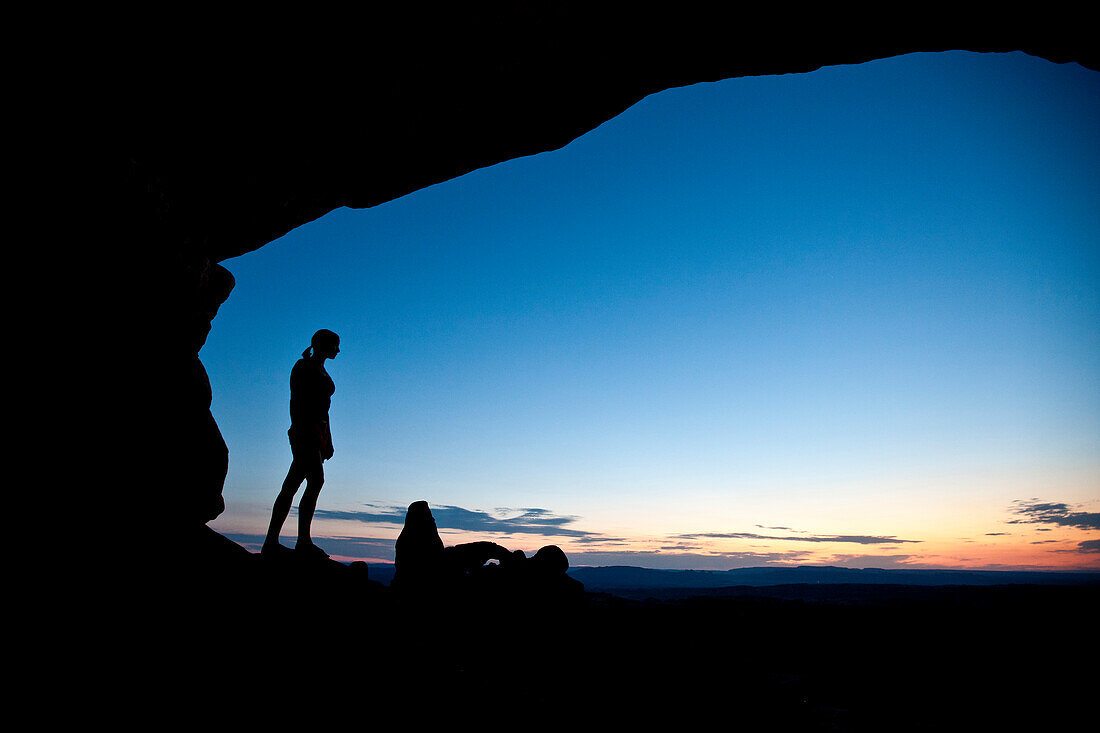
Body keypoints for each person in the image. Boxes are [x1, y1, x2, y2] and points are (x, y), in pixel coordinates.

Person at [263, 329, 340, 558]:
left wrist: (328, 439)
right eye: (335, 345)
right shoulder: (303, 367)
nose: (338, 350)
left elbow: (325, 410)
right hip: (305, 431)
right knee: (312, 481)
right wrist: (300, 431)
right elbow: (295, 401)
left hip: (316, 432)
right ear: (323, 345)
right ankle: (299, 541)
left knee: (294, 484)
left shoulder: (321, 370)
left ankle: (277, 541)